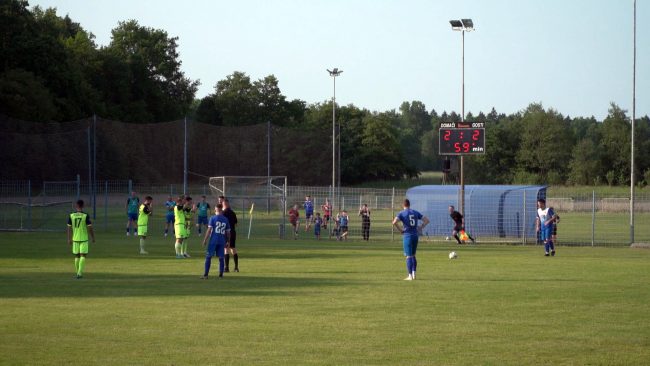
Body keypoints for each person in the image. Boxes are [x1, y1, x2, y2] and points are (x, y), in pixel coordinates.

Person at [392, 199, 429, 281]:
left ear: (403, 205)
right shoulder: (415, 212)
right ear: (409, 205)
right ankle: (414, 274)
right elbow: (427, 220)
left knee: (408, 256)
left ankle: (410, 276)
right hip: (415, 236)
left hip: (407, 236)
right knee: (413, 255)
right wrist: (420, 227)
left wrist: (401, 230)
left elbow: (394, 222)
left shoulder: (402, 213)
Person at [67, 199, 95, 279]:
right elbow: (90, 228)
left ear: (76, 206)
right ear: (83, 206)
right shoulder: (85, 215)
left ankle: (77, 273)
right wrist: (93, 237)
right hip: (84, 238)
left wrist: (69, 238)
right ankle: (79, 273)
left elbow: (68, 227)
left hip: (75, 238)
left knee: (76, 256)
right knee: (83, 255)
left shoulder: (71, 215)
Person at [201, 204, 231, 279]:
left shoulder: (213, 218)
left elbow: (209, 230)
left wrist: (205, 239)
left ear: (216, 210)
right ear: (221, 210)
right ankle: (221, 275)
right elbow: (228, 232)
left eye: (215, 209)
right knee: (221, 258)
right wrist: (228, 241)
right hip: (222, 241)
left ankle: (206, 275)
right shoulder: (225, 219)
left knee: (208, 257)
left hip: (213, 240)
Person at [221, 197, 239, 272]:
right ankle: (236, 268)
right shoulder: (233, 212)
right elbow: (236, 224)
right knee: (233, 248)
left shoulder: (223, 213)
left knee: (226, 249)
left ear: (224, 204)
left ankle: (226, 268)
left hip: (226, 233)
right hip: (233, 232)